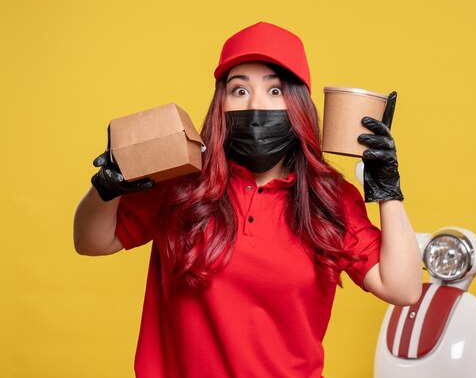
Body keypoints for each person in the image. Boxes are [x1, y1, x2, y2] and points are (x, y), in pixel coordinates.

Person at [73, 22, 422, 378]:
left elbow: (404, 288)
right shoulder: (180, 182)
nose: (256, 105)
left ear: (299, 104)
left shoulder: (327, 198)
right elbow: (92, 243)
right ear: (220, 104)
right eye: (239, 91)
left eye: (275, 90)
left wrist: (387, 191)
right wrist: (106, 189)